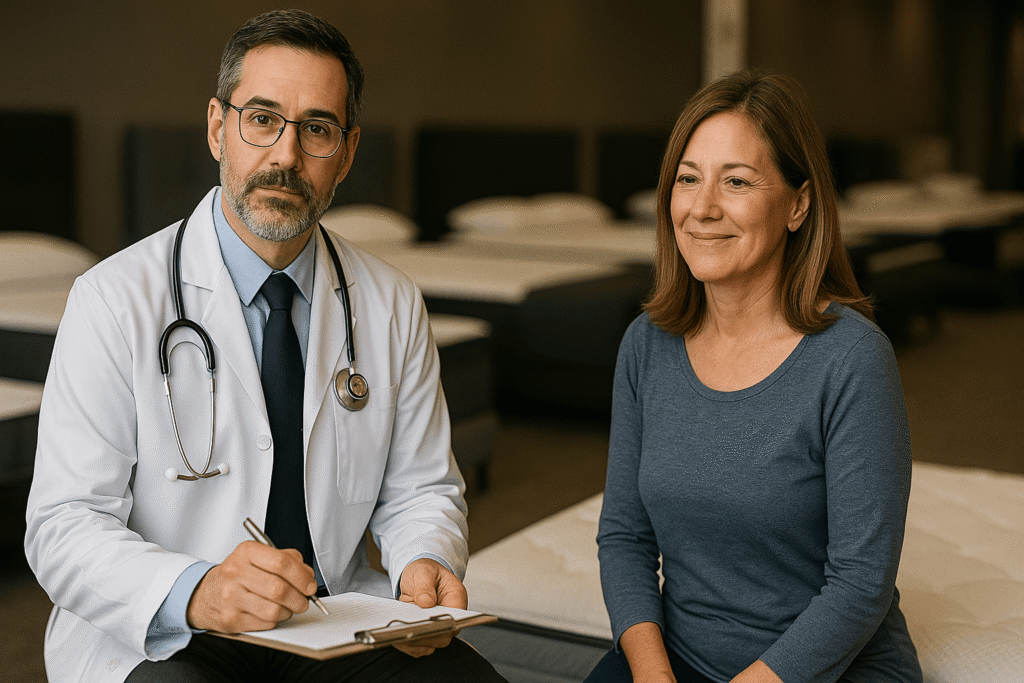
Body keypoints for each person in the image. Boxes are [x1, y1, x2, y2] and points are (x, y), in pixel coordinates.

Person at [24, 10, 505, 683]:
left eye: (317, 129)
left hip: (335, 620)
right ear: (219, 128)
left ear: (348, 151)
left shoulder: (392, 302)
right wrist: (196, 587)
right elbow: (63, 524)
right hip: (166, 629)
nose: (285, 155)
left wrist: (423, 560)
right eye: (261, 118)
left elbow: (422, 487)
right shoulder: (112, 299)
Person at [586, 70, 923, 683]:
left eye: (737, 181)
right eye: (688, 179)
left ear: (798, 204)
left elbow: (861, 584)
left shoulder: (852, 359)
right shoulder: (646, 345)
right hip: (680, 661)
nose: (703, 208)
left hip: (829, 670)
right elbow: (625, 538)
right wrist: (653, 674)